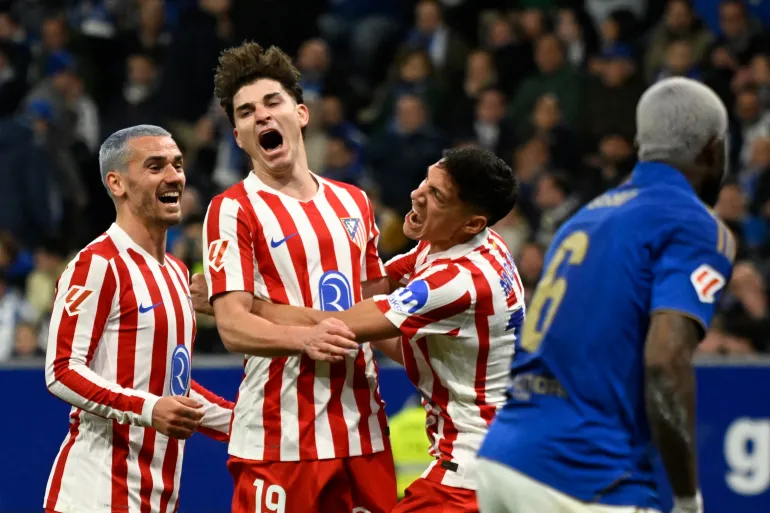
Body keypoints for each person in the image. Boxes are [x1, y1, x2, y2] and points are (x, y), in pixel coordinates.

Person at [192, 146, 524, 513]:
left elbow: (343, 326)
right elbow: (377, 301)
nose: (417, 195)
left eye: (436, 196)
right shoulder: (469, 245)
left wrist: (238, 301)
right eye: (426, 182)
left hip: (472, 472)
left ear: (472, 223)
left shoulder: (456, 281)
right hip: (495, 456)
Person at [476, 77, 735, 513]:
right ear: (714, 150)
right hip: (587, 475)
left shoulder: (582, 220)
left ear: (640, 144)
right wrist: (689, 498)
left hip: (501, 458)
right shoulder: (695, 225)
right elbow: (665, 360)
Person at [201, 42, 397, 513]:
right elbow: (232, 324)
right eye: (247, 113)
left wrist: (438, 370)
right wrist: (303, 338)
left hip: (363, 430)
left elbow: (378, 310)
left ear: (301, 113)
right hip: (280, 438)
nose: (262, 117)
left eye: (273, 103)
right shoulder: (232, 209)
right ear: (239, 136)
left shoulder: (354, 202)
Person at [43, 125, 234, 513]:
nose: (174, 176)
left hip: (158, 495)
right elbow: (61, 370)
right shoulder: (97, 264)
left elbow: (166, 383)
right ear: (117, 183)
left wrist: (242, 422)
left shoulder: (178, 273)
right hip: (94, 495)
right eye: (155, 166)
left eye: (178, 164)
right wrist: (149, 409)